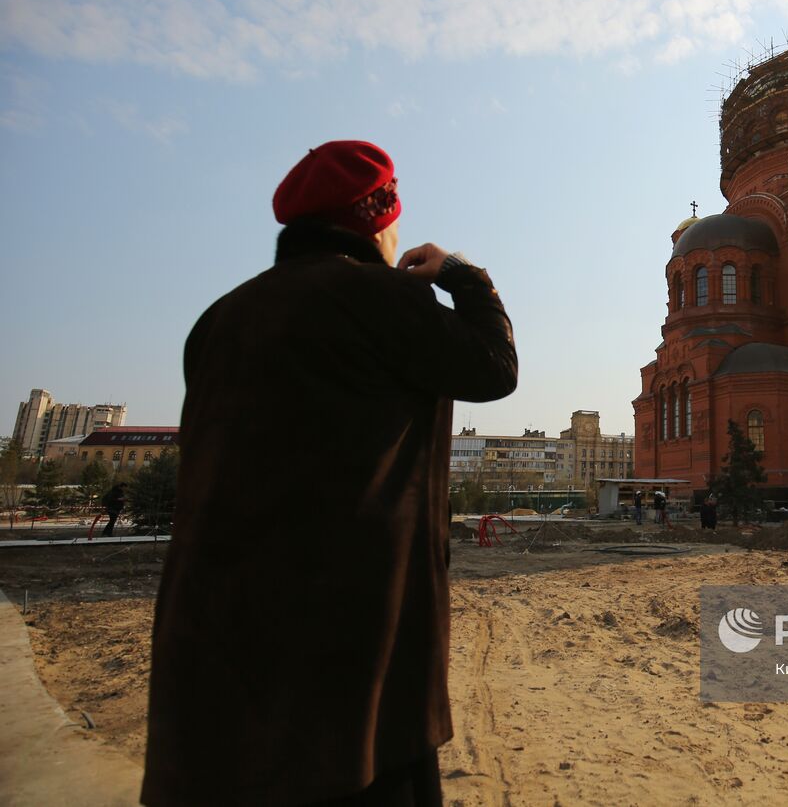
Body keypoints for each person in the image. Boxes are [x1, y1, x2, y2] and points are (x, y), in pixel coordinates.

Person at [142, 140, 517, 807]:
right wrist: (460, 272)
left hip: (204, 673)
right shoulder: (379, 297)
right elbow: (494, 365)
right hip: (346, 689)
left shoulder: (218, 319)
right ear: (380, 218)